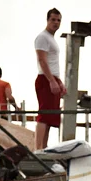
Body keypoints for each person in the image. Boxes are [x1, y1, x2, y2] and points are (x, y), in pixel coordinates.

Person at [34, 8, 65, 149]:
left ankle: (44, 147)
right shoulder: (42, 37)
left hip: (52, 78)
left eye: (58, 20)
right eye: (53, 19)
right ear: (47, 20)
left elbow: (53, 63)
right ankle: (38, 148)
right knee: (44, 114)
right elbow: (42, 60)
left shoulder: (51, 39)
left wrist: (59, 81)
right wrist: (52, 81)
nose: (56, 23)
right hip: (45, 78)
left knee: (50, 116)